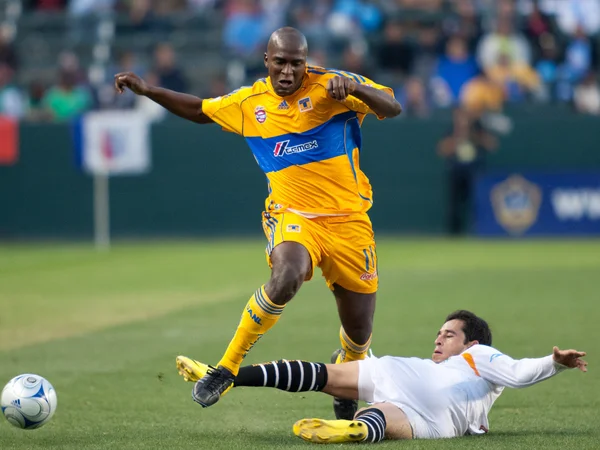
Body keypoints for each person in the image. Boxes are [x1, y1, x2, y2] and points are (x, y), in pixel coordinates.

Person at [114, 27, 402, 418]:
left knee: (359, 332)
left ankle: (346, 369)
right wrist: (149, 91)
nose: (287, 72)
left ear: (306, 62)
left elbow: (391, 106)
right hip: (292, 214)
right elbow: (199, 110)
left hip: (349, 221)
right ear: (266, 60)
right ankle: (226, 368)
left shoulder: (333, 87)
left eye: (296, 63)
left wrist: (354, 87)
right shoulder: (250, 103)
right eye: (280, 62)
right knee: (287, 276)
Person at [179, 310, 588, 444]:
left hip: (419, 384)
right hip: (436, 417)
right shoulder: (453, 371)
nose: (439, 337)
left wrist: (555, 362)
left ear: (471, 342)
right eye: (439, 331)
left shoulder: (481, 354)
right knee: (375, 408)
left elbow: (518, 372)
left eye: (450, 334)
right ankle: (351, 428)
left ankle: (229, 375)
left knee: (324, 374)